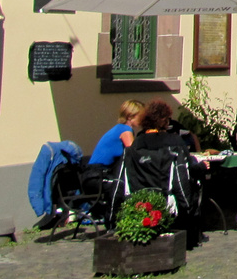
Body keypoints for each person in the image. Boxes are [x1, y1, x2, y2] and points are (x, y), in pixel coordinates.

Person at [127, 100, 201, 245]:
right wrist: (202, 166)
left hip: (142, 190)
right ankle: (192, 233)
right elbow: (187, 165)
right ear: (163, 120)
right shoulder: (174, 140)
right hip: (168, 192)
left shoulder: (139, 141)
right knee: (195, 183)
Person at [83, 99, 144, 189]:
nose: (144, 119)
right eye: (141, 116)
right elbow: (134, 153)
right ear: (130, 117)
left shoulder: (120, 128)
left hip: (95, 174)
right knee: (126, 187)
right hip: (97, 175)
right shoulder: (125, 130)